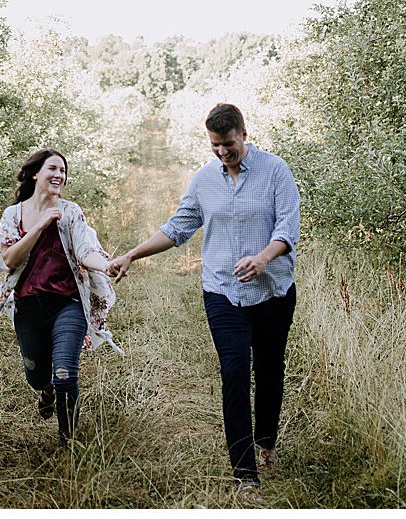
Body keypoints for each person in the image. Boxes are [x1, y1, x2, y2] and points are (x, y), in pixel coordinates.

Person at [108, 103, 301, 490]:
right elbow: (178, 228)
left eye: (228, 144)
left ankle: (266, 440)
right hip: (222, 292)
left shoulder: (275, 171)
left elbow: (288, 225)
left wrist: (264, 257)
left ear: (243, 135)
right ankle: (245, 471)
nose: (222, 152)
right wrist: (132, 253)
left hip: (272, 291)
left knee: (268, 370)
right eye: (215, 145)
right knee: (233, 372)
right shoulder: (204, 180)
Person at [0, 148, 121, 444]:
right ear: (35, 173)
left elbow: (86, 252)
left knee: (64, 373)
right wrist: (41, 223)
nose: (59, 175)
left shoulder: (71, 212)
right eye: (53, 169)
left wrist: (107, 265)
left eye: (63, 171)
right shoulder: (14, 215)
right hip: (28, 305)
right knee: (37, 377)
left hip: (67, 304)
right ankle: (46, 390)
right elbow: (9, 259)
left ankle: (68, 442)